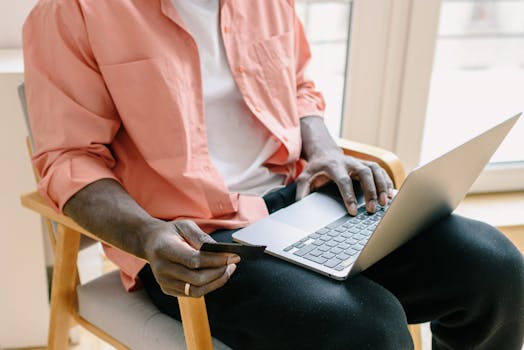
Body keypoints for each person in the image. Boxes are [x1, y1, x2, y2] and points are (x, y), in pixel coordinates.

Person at [23, 1, 523, 349]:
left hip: (301, 198)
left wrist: (323, 149)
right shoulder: (71, 11)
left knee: (495, 268)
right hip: (198, 241)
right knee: (365, 328)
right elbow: (68, 159)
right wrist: (148, 235)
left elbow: (300, 86)